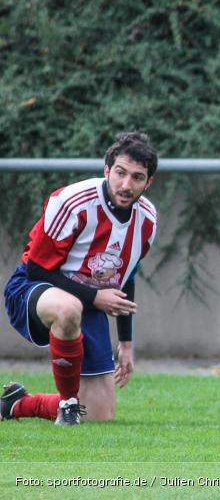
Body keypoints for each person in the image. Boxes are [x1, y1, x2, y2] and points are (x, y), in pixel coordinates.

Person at [1, 132, 159, 426]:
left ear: (148, 182)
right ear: (107, 169)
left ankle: (18, 404)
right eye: (120, 173)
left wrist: (126, 345)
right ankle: (69, 405)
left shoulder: (147, 219)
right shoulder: (72, 201)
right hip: (33, 287)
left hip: (87, 300)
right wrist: (96, 298)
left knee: (99, 415)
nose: (126, 185)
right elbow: (36, 267)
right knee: (68, 308)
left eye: (137, 177)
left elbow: (125, 279)